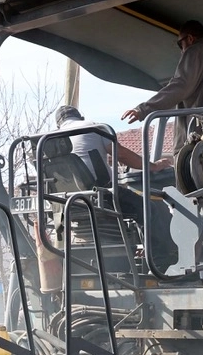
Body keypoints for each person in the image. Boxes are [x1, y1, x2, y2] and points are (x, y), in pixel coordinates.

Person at [122, 20, 203, 259]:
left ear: (190, 39)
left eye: (180, 44)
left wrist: (144, 109)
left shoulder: (196, 52)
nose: (181, 50)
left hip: (200, 143)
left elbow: (180, 85)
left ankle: (190, 265)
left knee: (188, 205)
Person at [53, 105, 177, 267]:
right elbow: (122, 154)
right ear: (79, 117)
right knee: (148, 209)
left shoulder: (50, 138)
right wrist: (153, 166)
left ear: (59, 123)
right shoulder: (94, 127)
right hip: (101, 194)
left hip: (67, 202)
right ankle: (160, 263)